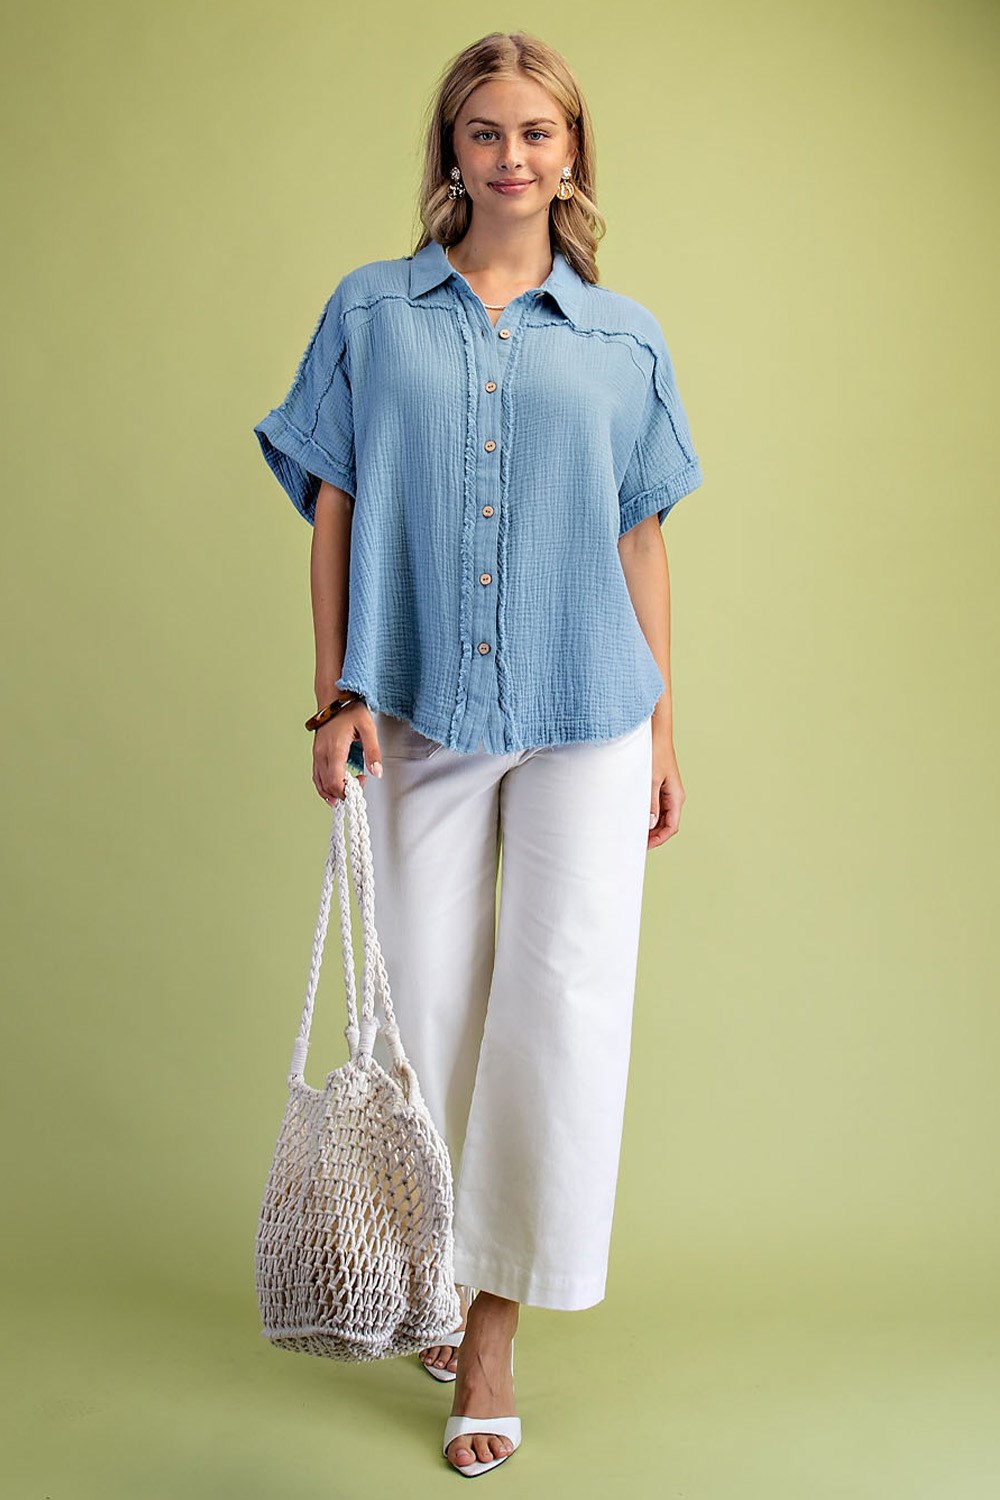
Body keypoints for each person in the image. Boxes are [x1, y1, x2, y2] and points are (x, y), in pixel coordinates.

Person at [253, 29, 703, 1478]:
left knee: (561, 1015)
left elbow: (643, 539)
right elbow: (333, 502)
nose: (513, 156)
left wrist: (664, 732)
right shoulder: (371, 312)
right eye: (487, 131)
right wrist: (336, 696)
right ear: (452, 150)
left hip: (592, 716)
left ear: (573, 155)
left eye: (538, 133)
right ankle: (429, 1272)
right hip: (419, 709)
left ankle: (491, 1335)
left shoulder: (626, 338)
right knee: (423, 1011)